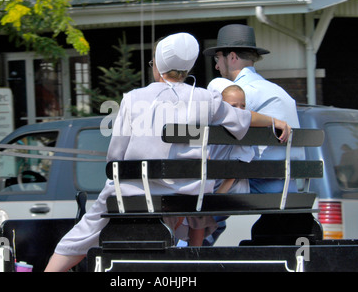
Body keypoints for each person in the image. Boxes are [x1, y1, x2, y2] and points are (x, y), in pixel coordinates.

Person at [44, 32, 291, 271]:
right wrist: (274, 121)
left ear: (158, 65)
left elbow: (115, 158)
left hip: (137, 193)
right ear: (189, 67)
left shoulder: (133, 99)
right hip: (188, 197)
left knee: (81, 234)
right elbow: (243, 118)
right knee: (182, 210)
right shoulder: (205, 99)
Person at [204, 24, 304, 194]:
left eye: (218, 58)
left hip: (260, 181)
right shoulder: (278, 90)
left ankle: (212, 221)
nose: (216, 66)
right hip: (290, 184)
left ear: (232, 57)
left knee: (202, 205)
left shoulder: (240, 93)